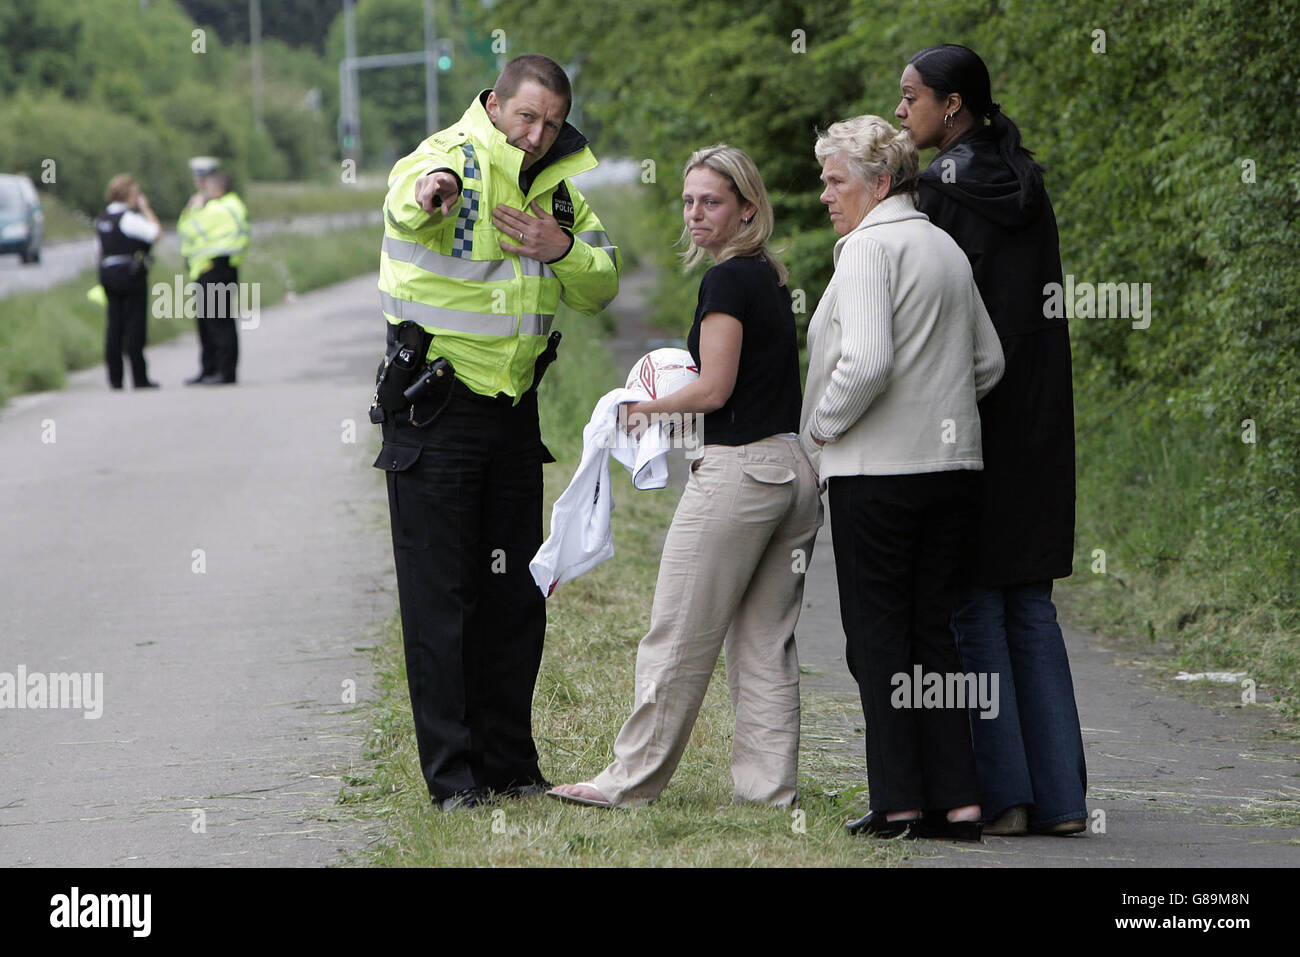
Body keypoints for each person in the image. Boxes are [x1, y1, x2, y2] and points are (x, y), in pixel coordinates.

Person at [372, 54, 621, 811]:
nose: (540, 133)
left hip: (514, 414)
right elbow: (407, 201)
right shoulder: (447, 157)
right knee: (442, 600)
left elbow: (602, 282)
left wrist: (560, 248)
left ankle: (511, 766)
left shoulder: (562, 193)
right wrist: (431, 194)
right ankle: (453, 781)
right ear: (495, 102)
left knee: (514, 594)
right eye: (527, 117)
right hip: (436, 409)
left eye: (551, 121)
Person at [548, 144, 821, 809]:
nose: (696, 213)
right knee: (763, 641)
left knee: (676, 632)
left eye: (713, 201)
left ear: (747, 209)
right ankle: (767, 791)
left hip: (740, 473)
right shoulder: (769, 277)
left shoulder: (727, 280)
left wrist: (645, 408)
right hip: (793, 472)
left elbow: (714, 388)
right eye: (689, 200)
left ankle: (627, 780)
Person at [897, 43, 1087, 836]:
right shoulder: (1023, 179)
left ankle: (1005, 796)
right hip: (1040, 424)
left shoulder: (941, 190)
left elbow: (937, 323)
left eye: (911, 98)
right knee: (1031, 608)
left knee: (976, 603)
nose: (902, 111)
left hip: (971, 420)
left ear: (953, 106)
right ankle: (1067, 804)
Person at [801, 115, 1004, 840]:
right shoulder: (944, 247)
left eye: (835, 179)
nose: (825, 193)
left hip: (877, 475)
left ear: (878, 181)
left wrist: (820, 427)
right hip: (951, 473)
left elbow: (867, 363)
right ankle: (960, 799)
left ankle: (899, 802)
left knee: (879, 639)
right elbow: (989, 363)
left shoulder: (867, 249)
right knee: (933, 636)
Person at [177, 163, 249, 385]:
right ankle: (209, 369)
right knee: (207, 322)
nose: (203, 192)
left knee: (219, 322)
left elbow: (188, 228)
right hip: (205, 268)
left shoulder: (221, 208)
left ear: (217, 188)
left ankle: (224, 371)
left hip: (217, 267)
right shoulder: (221, 206)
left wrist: (194, 209)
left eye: (206, 187)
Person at [94, 174, 161, 390]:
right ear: (129, 194)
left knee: (114, 326)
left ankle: (115, 378)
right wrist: (146, 209)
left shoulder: (102, 219)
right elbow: (155, 233)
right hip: (130, 275)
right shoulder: (129, 218)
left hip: (108, 274)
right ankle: (139, 377)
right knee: (135, 325)